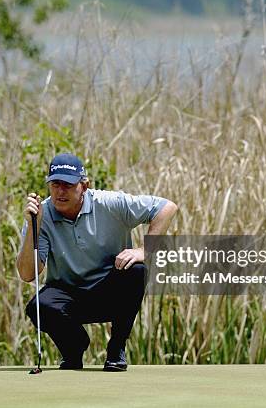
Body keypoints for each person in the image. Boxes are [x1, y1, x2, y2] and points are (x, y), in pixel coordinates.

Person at [16, 153, 177, 371]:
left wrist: (145, 250)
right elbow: (27, 274)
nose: (60, 191)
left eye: (68, 185)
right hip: (68, 296)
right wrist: (32, 230)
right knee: (38, 307)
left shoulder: (109, 203)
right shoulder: (40, 215)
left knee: (137, 270)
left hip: (109, 294)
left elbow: (167, 207)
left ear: (84, 185)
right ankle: (74, 348)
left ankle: (116, 348)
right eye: (55, 184)